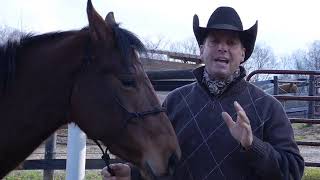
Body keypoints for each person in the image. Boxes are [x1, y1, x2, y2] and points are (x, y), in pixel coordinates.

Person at [102, 6, 304, 180]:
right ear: (201, 50)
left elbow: (293, 171)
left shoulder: (268, 107)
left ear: (243, 54)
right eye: (214, 41)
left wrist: (253, 145)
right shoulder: (175, 101)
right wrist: (133, 174)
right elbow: (162, 160)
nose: (222, 48)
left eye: (231, 42)